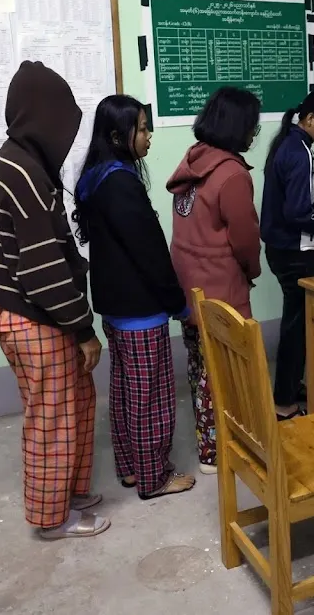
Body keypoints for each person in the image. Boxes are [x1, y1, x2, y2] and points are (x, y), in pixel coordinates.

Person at [0, 61, 108, 540]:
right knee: (51, 418)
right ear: (42, 117)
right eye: (62, 121)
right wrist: (84, 329)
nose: (67, 135)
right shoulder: (22, 171)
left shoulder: (22, 161)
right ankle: (51, 519)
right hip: (34, 316)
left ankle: (69, 492)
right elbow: (42, 269)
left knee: (76, 401)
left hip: (30, 312)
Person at [73, 94, 195, 499]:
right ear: (116, 136)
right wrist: (177, 303)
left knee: (127, 393)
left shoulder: (97, 178)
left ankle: (131, 468)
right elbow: (150, 252)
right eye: (141, 129)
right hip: (140, 309)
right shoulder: (121, 183)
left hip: (115, 306)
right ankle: (154, 477)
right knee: (152, 399)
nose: (148, 136)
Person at [166, 86, 263, 472]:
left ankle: (208, 444)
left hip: (189, 288)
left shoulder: (192, 161)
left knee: (200, 368)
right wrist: (253, 271)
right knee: (226, 373)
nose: (254, 134)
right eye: (253, 126)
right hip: (222, 291)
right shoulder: (232, 173)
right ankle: (218, 451)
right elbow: (245, 238)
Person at [260, 87, 314, 420]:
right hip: (295, 251)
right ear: (310, 119)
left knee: (294, 321)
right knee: (297, 327)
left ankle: (290, 385)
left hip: (279, 248)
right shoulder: (300, 152)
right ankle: (284, 402)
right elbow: (297, 212)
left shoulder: (285, 144)